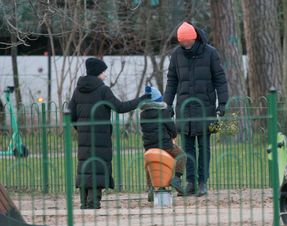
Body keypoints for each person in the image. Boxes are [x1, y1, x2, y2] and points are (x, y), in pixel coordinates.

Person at [69, 58, 150, 209]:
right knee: (97, 167)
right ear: (97, 73)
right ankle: (93, 202)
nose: (105, 75)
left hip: (84, 136)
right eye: (103, 72)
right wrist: (140, 100)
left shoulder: (78, 90)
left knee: (85, 166)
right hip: (101, 136)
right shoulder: (103, 90)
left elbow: (70, 114)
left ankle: (84, 202)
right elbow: (119, 107)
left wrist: (80, 129)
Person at [164, 21, 228, 196]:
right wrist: (166, 104)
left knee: (204, 146)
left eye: (187, 41)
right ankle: (190, 182)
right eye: (181, 42)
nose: (184, 45)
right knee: (187, 148)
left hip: (205, 108)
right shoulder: (177, 55)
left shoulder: (210, 53)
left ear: (194, 38)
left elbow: (220, 79)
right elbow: (172, 81)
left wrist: (222, 103)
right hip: (184, 109)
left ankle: (202, 182)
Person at [140, 86, 187, 201]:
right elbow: (172, 129)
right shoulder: (163, 112)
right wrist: (173, 136)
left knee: (149, 163)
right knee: (182, 155)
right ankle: (176, 178)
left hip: (149, 147)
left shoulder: (143, 114)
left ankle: (150, 187)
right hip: (165, 145)